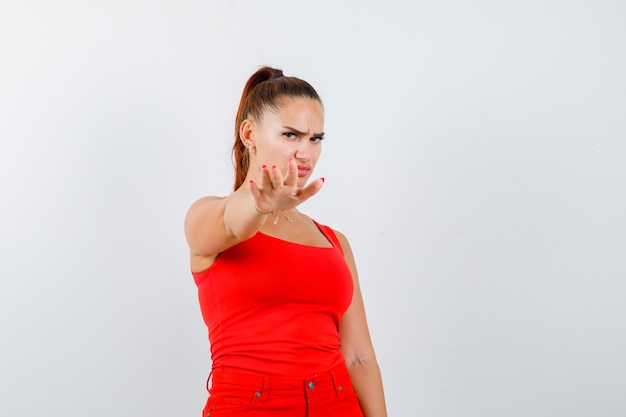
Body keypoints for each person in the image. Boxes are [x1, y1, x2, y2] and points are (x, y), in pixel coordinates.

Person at [184, 66, 387, 417]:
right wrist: (259, 204)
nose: (306, 153)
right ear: (250, 134)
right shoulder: (208, 217)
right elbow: (233, 224)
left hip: (338, 404)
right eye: (291, 135)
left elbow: (358, 355)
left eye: (316, 138)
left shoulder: (333, 241)